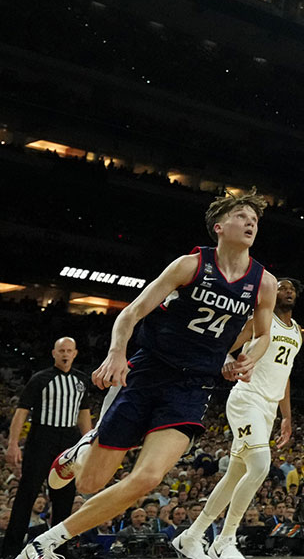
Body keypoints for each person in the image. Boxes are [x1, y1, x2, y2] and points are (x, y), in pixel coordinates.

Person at [14, 191, 275, 559]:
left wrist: (248, 358)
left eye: (255, 220)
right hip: (149, 372)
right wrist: (117, 353)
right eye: (242, 216)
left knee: (148, 479)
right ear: (219, 227)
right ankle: (80, 451)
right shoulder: (190, 265)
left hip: (193, 385)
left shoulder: (263, 282)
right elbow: (132, 312)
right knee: (90, 484)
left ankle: (44, 545)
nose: (251, 223)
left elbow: (263, 335)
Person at [174, 277, 303, 559]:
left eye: (292, 288)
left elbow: (286, 374)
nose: (288, 290)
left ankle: (192, 536)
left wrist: (287, 416)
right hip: (247, 399)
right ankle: (225, 538)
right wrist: (226, 364)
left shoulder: (297, 331)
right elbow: (225, 344)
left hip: (269, 408)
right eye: (282, 286)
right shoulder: (260, 320)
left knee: (235, 476)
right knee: (259, 466)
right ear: (271, 292)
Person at [4, 339, 95, 557]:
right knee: (27, 493)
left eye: (69, 351)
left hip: (69, 440)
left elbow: (83, 414)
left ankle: (58, 548)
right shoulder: (40, 379)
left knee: (64, 497)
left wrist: (89, 444)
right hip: (41, 437)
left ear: (75, 354)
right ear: (54, 353)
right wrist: (13, 443)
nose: (65, 354)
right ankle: (11, 549)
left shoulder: (81, 380)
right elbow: (22, 411)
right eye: (61, 350)